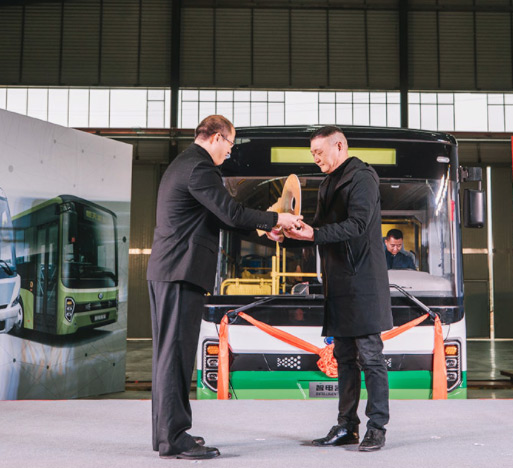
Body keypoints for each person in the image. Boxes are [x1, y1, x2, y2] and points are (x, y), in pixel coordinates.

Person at [147, 115, 302, 460]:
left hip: (170, 270)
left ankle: (166, 434)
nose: (228, 154)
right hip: (180, 271)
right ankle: (174, 437)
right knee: (175, 356)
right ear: (217, 137)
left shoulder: (185, 164)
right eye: (229, 146)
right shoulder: (200, 168)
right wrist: (277, 218)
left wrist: (265, 229)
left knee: (168, 355)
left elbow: (218, 217)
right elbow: (230, 212)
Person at [283, 126, 393, 452]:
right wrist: (293, 231)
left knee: (371, 357)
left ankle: (377, 427)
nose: (315, 159)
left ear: (339, 146)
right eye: (312, 154)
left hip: (363, 282)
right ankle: (347, 425)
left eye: (319, 153)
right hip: (338, 282)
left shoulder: (362, 177)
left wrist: (313, 234)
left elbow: (357, 225)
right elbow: (319, 227)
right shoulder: (328, 182)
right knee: (344, 358)